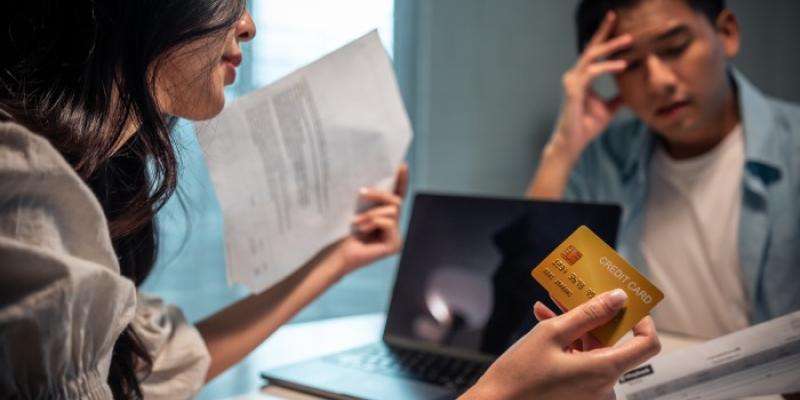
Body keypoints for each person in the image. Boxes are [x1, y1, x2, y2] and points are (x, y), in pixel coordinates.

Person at [0, 1, 659, 398]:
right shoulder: (21, 183)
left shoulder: (61, 183)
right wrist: (501, 394)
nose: (249, 24)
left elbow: (155, 362)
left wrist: (337, 259)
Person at [527, 0, 800, 339]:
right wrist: (563, 148)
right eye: (629, 65)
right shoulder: (604, 159)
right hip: (641, 383)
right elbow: (535, 284)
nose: (658, 81)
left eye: (675, 48)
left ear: (726, 33)